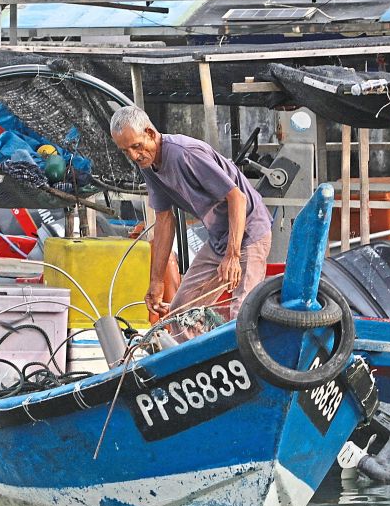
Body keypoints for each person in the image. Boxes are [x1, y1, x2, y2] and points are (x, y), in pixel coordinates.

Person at [110, 106, 272, 335]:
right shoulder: (147, 165)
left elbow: (237, 198)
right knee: (179, 316)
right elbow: (164, 220)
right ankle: (206, 365)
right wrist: (157, 282)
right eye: (126, 151)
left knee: (243, 317)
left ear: (150, 132)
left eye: (136, 146)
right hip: (219, 239)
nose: (134, 156)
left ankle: (244, 364)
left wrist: (233, 255)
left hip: (248, 233)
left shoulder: (184, 153)